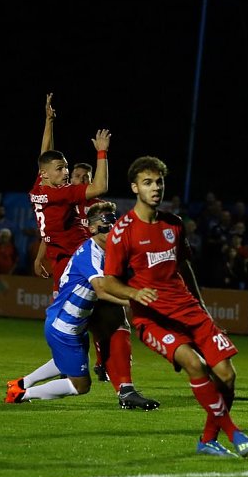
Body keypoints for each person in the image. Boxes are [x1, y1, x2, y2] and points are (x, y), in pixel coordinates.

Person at [101, 156, 248, 458]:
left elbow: (185, 267)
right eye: (148, 182)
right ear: (135, 187)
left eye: (159, 182)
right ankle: (234, 433)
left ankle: (208, 440)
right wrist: (134, 293)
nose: (155, 188)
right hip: (153, 318)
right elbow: (109, 282)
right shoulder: (122, 231)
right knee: (195, 364)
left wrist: (203, 309)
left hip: (189, 311)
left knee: (227, 376)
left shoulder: (173, 224)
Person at [29, 94, 157, 410]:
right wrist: (102, 152)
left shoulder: (38, 190)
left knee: (88, 331)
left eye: (66, 168)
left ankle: (26, 385)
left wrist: (49, 122)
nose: (66, 172)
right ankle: (123, 388)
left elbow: (45, 155)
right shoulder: (60, 195)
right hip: (79, 267)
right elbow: (99, 187)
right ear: (47, 175)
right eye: (62, 169)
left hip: (64, 267)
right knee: (110, 320)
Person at [4, 202, 135, 403]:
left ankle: (21, 384)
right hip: (64, 326)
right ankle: (21, 395)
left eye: (114, 223)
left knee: (67, 360)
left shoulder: (103, 251)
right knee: (81, 385)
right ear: (92, 228)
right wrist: (134, 300)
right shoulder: (90, 254)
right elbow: (102, 290)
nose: (112, 228)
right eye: (106, 224)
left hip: (74, 323)